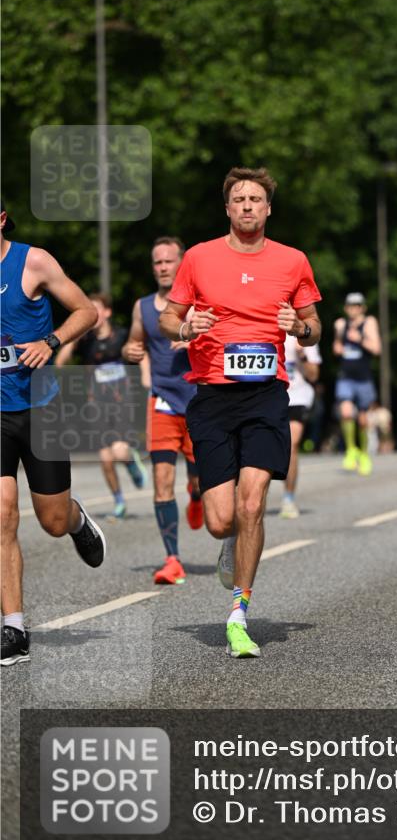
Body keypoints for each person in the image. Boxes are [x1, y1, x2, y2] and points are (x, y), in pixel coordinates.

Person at [159, 167, 321, 658]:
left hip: (266, 394)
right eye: (239, 199)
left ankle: (238, 613)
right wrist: (186, 329)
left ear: (268, 208)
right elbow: (168, 317)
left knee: (252, 505)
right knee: (220, 520)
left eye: (255, 199)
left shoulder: (293, 261)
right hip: (212, 396)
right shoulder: (199, 257)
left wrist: (299, 327)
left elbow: (314, 327)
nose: (247, 206)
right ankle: (231, 543)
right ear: (227, 208)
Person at [0, 208, 106, 665]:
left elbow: (87, 311)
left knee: (52, 521)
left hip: (41, 408)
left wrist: (52, 342)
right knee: (2, 515)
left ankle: (77, 520)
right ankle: (14, 628)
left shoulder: (33, 262)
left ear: (2, 219)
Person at [122, 237, 203, 585]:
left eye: (169, 261)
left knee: (200, 481)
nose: (163, 267)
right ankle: (172, 559)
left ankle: (196, 496)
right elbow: (134, 342)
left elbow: (224, 340)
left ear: (181, 263)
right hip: (163, 401)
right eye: (158, 262)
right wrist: (129, 352)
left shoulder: (199, 303)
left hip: (199, 401)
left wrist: (194, 339)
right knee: (162, 481)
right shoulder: (142, 307)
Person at [56, 293, 147, 518]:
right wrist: (75, 335)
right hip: (96, 404)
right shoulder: (85, 341)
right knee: (105, 459)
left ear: (107, 312)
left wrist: (146, 376)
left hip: (122, 401)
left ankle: (131, 462)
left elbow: (140, 352)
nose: (93, 315)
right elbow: (60, 363)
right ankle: (119, 501)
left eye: (97, 310)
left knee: (119, 451)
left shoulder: (121, 335)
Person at [333, 292, 381, 476]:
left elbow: (377, 349)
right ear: (346, 308)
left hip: (363, 378)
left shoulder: (369, 323)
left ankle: (364, 453)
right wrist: (339, 346)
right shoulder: (340, 324)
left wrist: (359, 339)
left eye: (357, 306)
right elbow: (336, 348)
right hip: (345, 376)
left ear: (363, 308)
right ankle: (351, 449)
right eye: (351, 306)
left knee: (362, 420)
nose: (354, 309)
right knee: (345, 412)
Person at [281, 333, 321, 518]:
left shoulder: (303, 333)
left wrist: (302, 355)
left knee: (291, 445)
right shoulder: (264, 327)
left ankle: (288, 498)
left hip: (297, 396)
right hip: (269, 396)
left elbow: (314, 375)